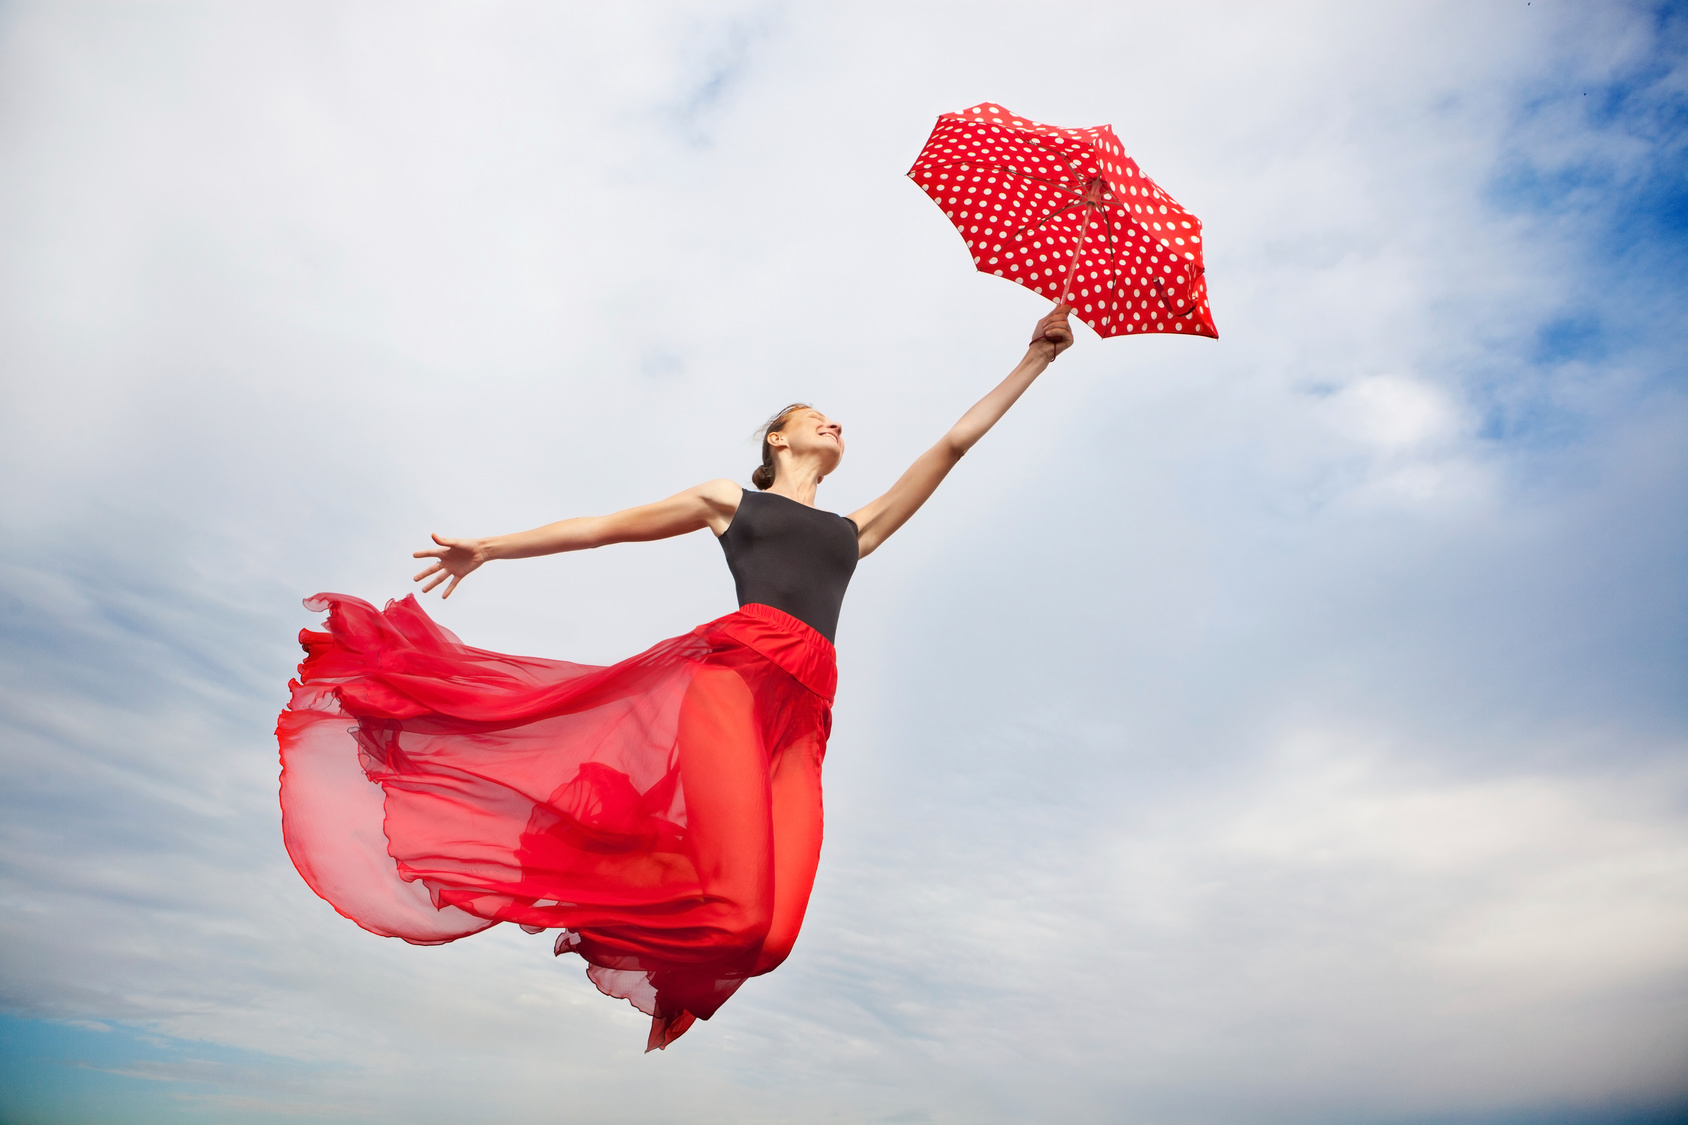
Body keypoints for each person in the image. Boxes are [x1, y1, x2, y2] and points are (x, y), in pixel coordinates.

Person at [277, 306, 1074, 1050]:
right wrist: (490, 546)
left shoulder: (853, 529)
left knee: (770, 938)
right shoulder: (730, 501)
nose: (833, 420)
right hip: (730, 688)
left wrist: (1034, 357)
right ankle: (601, 864)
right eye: (812, 413)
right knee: (733, 916)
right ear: (779, 440)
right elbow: (603, 528)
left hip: (802, 719)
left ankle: (625, 850)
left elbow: (952, 446)